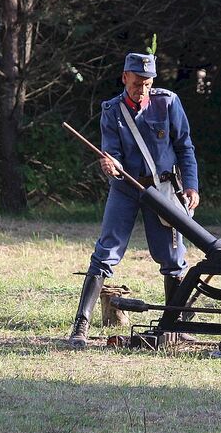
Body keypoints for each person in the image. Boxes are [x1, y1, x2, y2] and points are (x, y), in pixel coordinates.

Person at [68, 52, 200, 348]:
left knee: (173, 259)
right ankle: (81, 326)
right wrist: (110, 165)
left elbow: (185, 146)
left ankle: (173, 326)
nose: (142, 90)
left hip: (163, 190)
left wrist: (191, 186)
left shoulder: (168, 102)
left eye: (147, 83)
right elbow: (111, 150)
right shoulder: (111, 110)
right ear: (124, 77)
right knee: (105, 253)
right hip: (126, 188)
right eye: (137, 82)